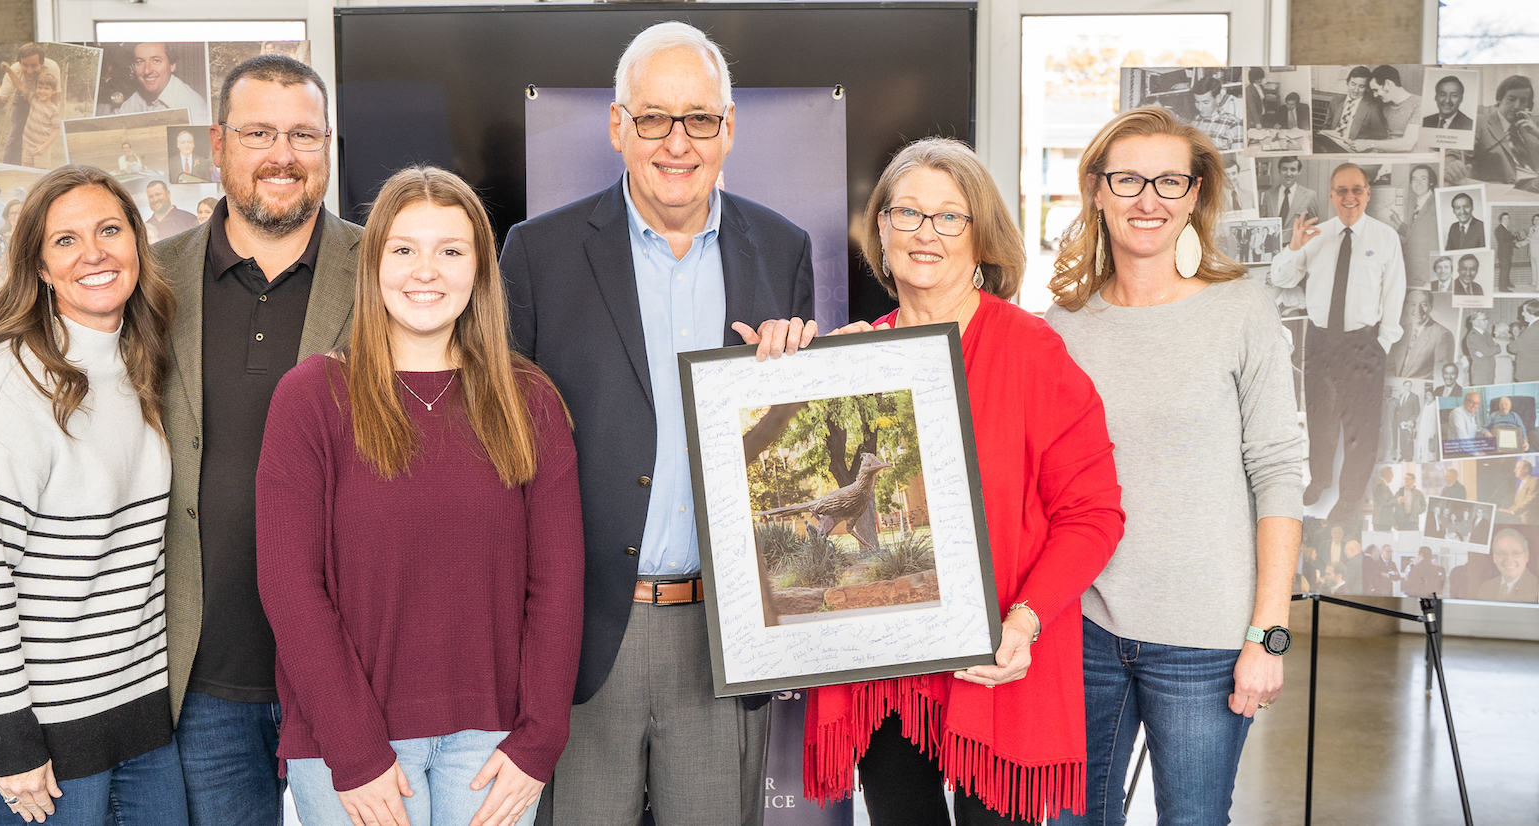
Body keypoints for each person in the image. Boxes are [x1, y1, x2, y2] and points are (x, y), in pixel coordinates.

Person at [497, 21, 816, 826]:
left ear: (729, 129)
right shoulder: (539, 254)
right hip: (579, 631)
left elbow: (799, 444)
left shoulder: (783, 251)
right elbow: (499, 453)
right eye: (654, 119)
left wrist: (801, 374)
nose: (678, 142)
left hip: (720, 634)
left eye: (699, 119)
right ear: (618, 127)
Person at [799, 135, 1123, 824]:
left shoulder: (1033, 352)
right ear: (879, 229)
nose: (926, 233)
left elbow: (1093, 513)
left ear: (982, 237)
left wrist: (1026, 621)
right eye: (906, 213)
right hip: (886, 667)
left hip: (996, 656)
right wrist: (805, 380)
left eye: (950, 217)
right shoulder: (852, 356)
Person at [255, 166, 583, 826]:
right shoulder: (313, 397)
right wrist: (355, 753)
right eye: (404, 249)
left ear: (480, 271)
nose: (425, 271)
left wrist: (539, 743)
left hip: (494, 746)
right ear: (373, 264)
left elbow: (558, 585)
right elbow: (289, 583)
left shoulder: (530, 402)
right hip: (352, 742)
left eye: (450, 251)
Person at [152, 54, 362, 826]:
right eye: (259, 132)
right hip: (207, 671)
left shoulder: (389, 271)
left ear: (329, 145)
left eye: (303, 134)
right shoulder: (151, 281)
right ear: (217, 143)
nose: (283, 154)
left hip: (352, 662)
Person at [0, 164, 184, 826]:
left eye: (109, 230)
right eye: (66, 241)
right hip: (45, 736)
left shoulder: (142, 362)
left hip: (140, 720)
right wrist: (13, 743)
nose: (95, 253)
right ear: (41, 268)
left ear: (138, 241)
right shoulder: (13, 382)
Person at [1270, 162, 1406, 519]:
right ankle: (1320, 481)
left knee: (1361, 424)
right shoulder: (1316, 236)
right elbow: (1280, 279)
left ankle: (1349, 497)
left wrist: (1384, 344)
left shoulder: (1385, 238)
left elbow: (1395, 295)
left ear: (1367, 194)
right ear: (1331, 196)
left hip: (1363, 343)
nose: (1350, 197)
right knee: (1321, 417)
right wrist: (1294, 247)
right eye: (1342, 191)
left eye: (1357, 190)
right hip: (1320, 341)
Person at [0, 44, 61, 167]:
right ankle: (8, 166)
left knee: (42, 139)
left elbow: (55, 95)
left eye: (34, 66)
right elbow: (15, 90)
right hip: (26, 96)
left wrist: (46, 115)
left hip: (46, 105)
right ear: (19, 62)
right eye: (25, 65)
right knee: (16, 132)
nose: (29, 70)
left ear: (41, 64)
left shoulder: (52, 67)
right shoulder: (15, 71)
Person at [116, 42, 210, 122]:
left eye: (156, 61)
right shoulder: (139, 96)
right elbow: (115, 121)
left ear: (172, 65)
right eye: (140, 62)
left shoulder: (193, 109)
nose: (147, 71)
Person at [1471, 74, 1537, 184]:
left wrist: (1537, 134)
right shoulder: (1480, 124)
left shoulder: (1529, 127)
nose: (1516, 106)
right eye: (1511, 99)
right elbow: (1458, 156)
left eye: (1523, 101)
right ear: (1499, 99)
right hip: (1509, 188)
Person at [1346, 65, 1422, 153]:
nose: (1375, 95)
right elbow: (1385, 141)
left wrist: (1369, 144)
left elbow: (1408, 144)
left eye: (1376, 90)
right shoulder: (1385, 107)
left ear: (1388, 84)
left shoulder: (1419, 103)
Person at [1388, 288, 1451, 380]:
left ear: (1431, 306)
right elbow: (1389, 366)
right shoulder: (1400, 331)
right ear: (1406, 307)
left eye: (1423, 304)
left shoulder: (1442, 334)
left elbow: (1442, 376)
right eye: (1413, 304)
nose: (1418, 309)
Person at [1394, 164, 1438, 288]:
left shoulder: (1436, 203)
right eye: (1414, 179)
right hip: (1413, 271)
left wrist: (1433, 276)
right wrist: (1399, 223)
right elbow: (1416, 233)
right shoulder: (1418, 203)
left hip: (1427, 275)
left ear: (1431, 182)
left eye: (1423, 179)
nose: (1418, 183)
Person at [1467, 529, 1539, 601]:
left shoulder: (1536, 589)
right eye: (1502, 554)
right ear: (1494, 558)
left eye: (1516, 553)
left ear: (1526, 556)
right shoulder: (1486, 587)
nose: (1509, 560)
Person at [1259, 156, 1317, 242]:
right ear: (1279, 171)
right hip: (1273, 246)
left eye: (1293, 170)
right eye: (1284, 169)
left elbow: (1314, 225)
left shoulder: (1309, 195)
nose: (1288, 174)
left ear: (1299, 172)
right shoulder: (1268, 195)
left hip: (1298, 247)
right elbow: (1262, 222)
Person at [22, 69, 64, 169]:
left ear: (53, 91)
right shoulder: (33, 99)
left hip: (41, 149)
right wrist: (9, 71)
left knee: (39, 175)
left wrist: (44, 147)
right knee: (26, 172)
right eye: (40, 87)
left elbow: (56, 131)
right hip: (27, 145)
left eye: (46, 88)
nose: (42, 91)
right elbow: (20, 86)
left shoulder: (53, 110)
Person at [1189, 73, 1241, 148]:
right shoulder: (1194, 123)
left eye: (1205, 102)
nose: (1200, 107)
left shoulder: (1233, 125)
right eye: (1197, 102)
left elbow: (1237, 156)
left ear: (1218, 99)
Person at [1461, 311, 1494, 385]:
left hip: (1490, 371)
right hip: (1480, 374)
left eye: (1487, 319)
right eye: (1484, 320)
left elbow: (1494, 349)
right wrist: (1495, 348)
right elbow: (1489, 351)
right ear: (1476, 322)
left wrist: (1495, 348)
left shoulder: (1486, 333)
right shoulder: (1473, 336)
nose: (1487, 322)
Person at [1495, 213, 1519, 291]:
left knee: (1508, 269)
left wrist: (1514, 236)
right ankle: (1502, 287)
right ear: (1501, 219)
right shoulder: (1499, 229)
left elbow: (1507, 239)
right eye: (1505, 218)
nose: (1507, 220)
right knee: (1504, 270)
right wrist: (1515, 244)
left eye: (1508, 218)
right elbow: (1502, 242)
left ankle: (1507, 283)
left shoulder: (1506, 228)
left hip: (1507, 252)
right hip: (1503, 253)